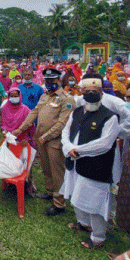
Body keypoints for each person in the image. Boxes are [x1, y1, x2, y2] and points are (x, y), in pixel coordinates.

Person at [60, 78, 119, 249]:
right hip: (75, 163)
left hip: (96, 166)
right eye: (87, 91)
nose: (91, 94)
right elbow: (66, 132)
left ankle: (98, 237)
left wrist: (78, 151)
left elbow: (105, 144)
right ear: (82, 93)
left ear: (101, 93)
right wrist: (69, 148)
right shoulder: (76, 112)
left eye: (95, 91)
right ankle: (83, 223)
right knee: (77, 196)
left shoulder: (110, 116)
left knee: (95, 203)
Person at [13, 68, 76, 216]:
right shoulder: (45, 96)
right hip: (41, 139)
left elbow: (62, 123)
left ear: (59, 81)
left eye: (52, 80)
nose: (49, 83)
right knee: (46, 168)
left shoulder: (67, 99)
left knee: (57, 171)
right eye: (47, 80)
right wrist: (21, 129)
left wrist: (46, 136)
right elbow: (34, 113)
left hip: (54, 141)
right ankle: (50, 192)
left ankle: (59, 203)